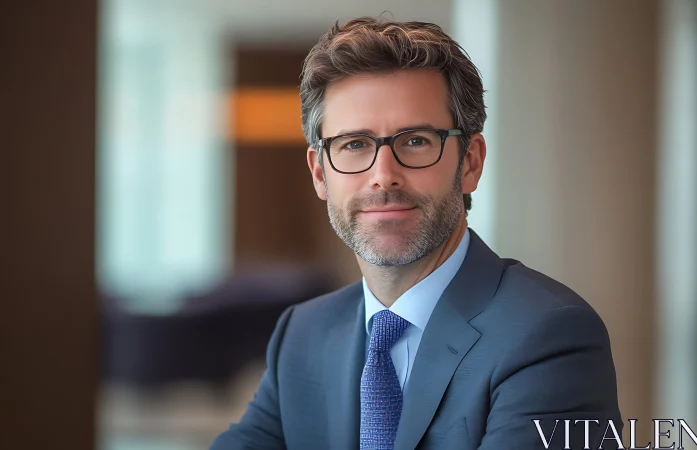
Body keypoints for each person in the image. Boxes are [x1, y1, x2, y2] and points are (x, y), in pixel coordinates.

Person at [211, 17, 621, 450]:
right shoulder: (303, 334)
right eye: (354, 144)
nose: (383, 176)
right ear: (319, 173)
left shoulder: (549, 336)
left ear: (470, 163)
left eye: (416, 141)